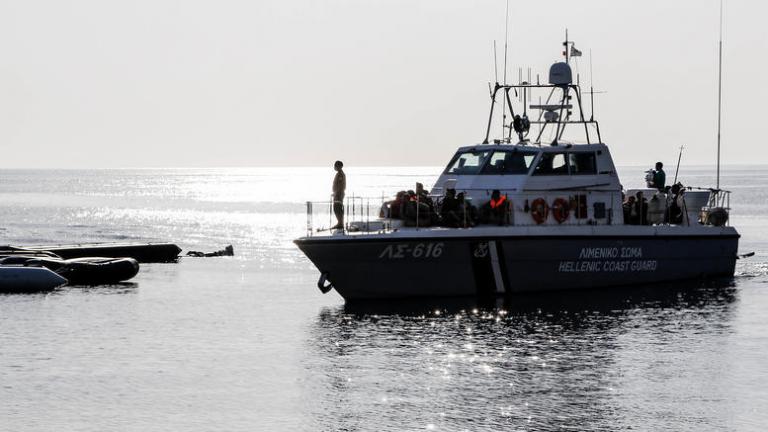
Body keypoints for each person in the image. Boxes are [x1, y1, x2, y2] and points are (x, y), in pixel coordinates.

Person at [331, 160, 346, 229]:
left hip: (339, 194)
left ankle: (340, 223)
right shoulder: (339, 173)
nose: (334, 167)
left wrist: (336, 193)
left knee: (337, 208)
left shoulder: (340, 174)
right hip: (337, 193)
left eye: (335, 166)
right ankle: (339, 223)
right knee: (337, 208)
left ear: (339, 166)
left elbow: (340, 186)